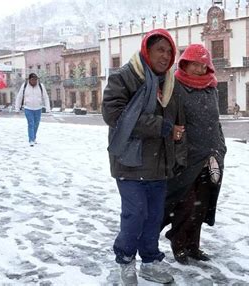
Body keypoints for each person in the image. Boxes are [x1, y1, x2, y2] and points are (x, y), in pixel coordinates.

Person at [102, 28, 184, 285]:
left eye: (170, 51)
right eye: (160, 49)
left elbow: (176, 119)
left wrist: (177, 137)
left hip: (159, 163)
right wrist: (161, 127)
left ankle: (150, 261)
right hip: (130, 161)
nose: (165, 56)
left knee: (153, 216)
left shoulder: (170, 82)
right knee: (135, 214)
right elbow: (114, 115)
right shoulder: (124, 77)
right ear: (146, 50)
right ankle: (125, 260)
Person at [162, 44, 227, 265]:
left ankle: (193, 246)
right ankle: (178, 242)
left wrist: (220, 147)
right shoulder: (175, 86)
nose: (200, 69)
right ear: (184, 63)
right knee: (186, 203)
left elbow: (215, 121)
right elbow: (171, 120)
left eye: (203, 64)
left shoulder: (212, 87)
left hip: (211, 154)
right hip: (187, 157)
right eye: (195, 64)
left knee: (203, 204)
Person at [15, 73, 51, 147]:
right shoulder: (24, 86)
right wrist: (17, 108)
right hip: (28, 108)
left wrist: (48, 108)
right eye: (32, 79)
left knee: (36, 124)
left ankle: (34, 137)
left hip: (38, 108)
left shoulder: (41, 86)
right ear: (29, 80)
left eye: (35, 79)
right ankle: (31, 139)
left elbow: (46, 97)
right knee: (31, 123)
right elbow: (19, 97)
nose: (34, 81)